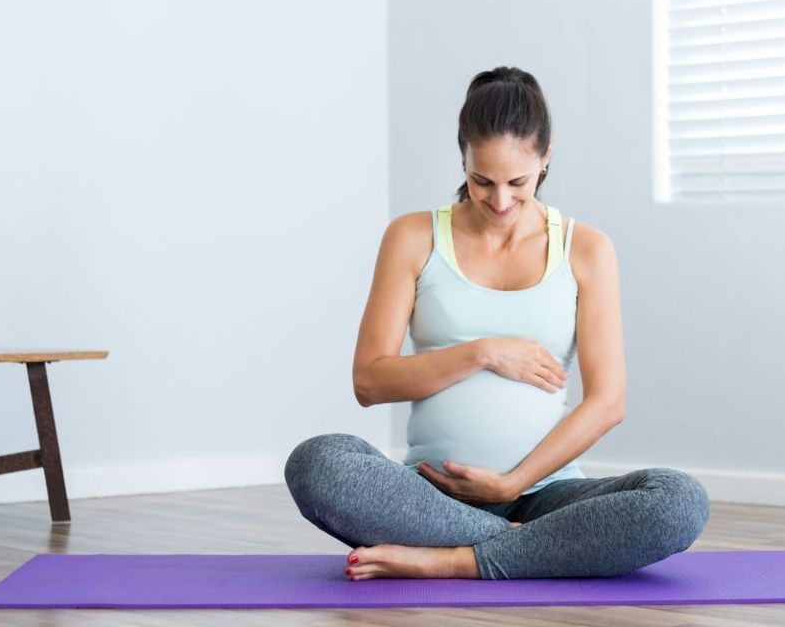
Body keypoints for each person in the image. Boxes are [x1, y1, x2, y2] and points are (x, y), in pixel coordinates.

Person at [285, 66, 709, 581]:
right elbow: (369, 382)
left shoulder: (588, 249)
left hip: (547, 495)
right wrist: (482, 351)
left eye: (519, 182)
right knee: (317, 462)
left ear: (546, 157)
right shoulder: (413, 237)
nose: (501, 201)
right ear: (462, 157)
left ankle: (453, 560)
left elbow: (607, 403)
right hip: (429, 495)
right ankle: (530, 552)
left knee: (679, 500)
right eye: (481, 180)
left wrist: (511, 486)